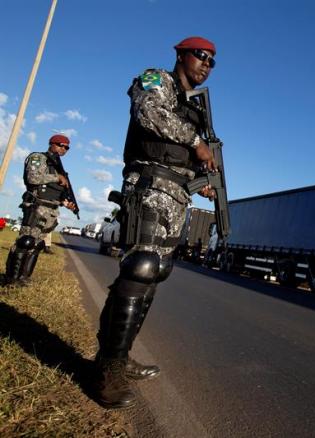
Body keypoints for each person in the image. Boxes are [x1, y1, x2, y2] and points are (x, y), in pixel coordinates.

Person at [93, 36, 219, 409]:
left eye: (212, 61)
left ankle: (119, 355)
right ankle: (107, 371)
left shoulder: (193, 108)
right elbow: (147, 114)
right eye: (201, 56)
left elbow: (188, 155)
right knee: (139, 269)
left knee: (154, 275)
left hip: (177, 196)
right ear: (181, 55)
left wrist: (204, 180)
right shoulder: (155, 80)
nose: (207, 65)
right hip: (147, 186)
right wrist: (195, 140)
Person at [3, 134, 76, 285]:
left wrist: (65, 202)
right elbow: (33, 178)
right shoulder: (39, 157)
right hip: (36, 207)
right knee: (26, 242)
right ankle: (11, 278)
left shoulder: (58, 167)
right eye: (61, 145)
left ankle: (24, 277)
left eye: (67, 147)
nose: (64, 149)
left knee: (37, 244)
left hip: (51, 210)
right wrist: (57, 178)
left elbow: (54, 191)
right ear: (52, 144)